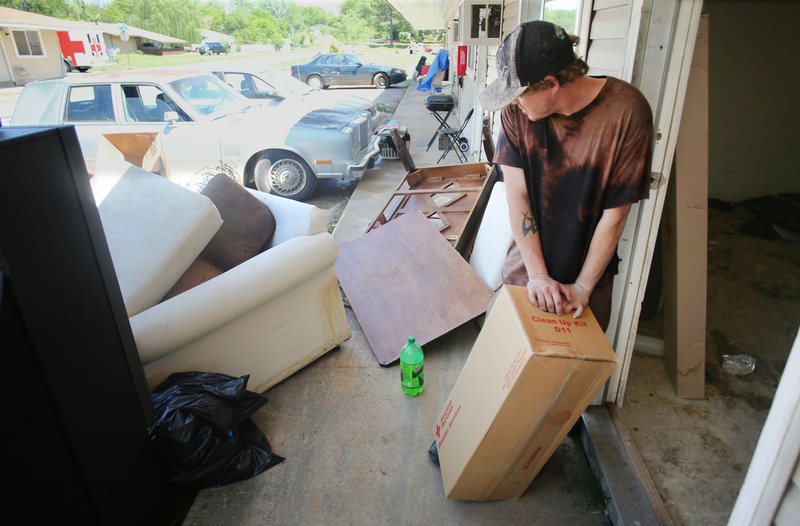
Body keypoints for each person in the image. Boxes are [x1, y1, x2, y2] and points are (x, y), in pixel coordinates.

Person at [479, 20, 654, 331]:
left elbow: (616, 214)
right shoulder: (515, 113)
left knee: (575, 371)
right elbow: (517, 194)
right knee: (507, 356)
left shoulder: (627, 112)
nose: (515, 102)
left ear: (551, 83)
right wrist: (537, 275)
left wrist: (583, 287)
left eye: (519, 94)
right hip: (528, 266)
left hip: (588, 271)